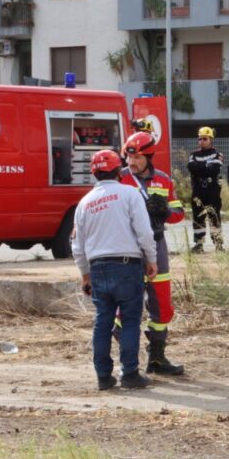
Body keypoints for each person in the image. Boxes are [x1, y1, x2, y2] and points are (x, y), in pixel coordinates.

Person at [71, 149, 158, 391]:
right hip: (126, 266)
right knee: (130, 320)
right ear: (119, 170)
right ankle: (129, 373)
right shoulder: (129, 194)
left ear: (94, 173)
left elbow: (77, 245)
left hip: (98, 268)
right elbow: (144, 232)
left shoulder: (84, 203)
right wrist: (151, 259)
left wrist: (85, 274)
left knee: (103, 321)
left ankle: (103, 376)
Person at [119, 132, 186, 375]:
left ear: (149, 156)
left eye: (137, 158)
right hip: (127, 247)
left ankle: (157, 358)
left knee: (162, 304)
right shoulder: (119, 178)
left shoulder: (164, 180)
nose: (132, 163)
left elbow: (180, 213)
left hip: (157, 246)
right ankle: (126, 355)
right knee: (124, 301)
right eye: (129, 157)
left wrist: (165, 211)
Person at [188, 126, 224, 253]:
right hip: (198, 191)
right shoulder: (193, 155)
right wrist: (206, 166)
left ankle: (219, 245)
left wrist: (201, 167)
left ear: (211, 139)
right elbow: (191, 167)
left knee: (214, 217)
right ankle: (198, 245)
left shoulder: (218, 154)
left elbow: (214, 169)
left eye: (204, 139)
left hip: (213, 191)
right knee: (198, 218)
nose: (201, 141)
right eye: (199, 139)